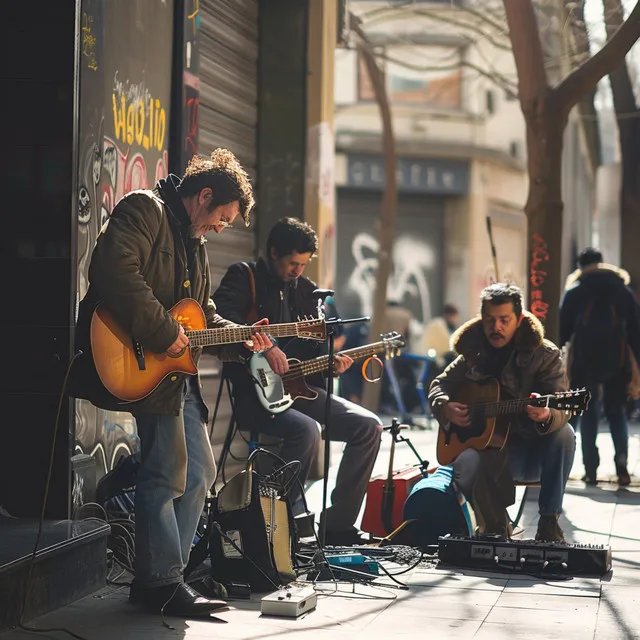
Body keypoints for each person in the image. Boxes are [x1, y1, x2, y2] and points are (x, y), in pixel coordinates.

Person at [71, 150, 272, 616]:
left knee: (199, 472)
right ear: (203, 196)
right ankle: (159, 582)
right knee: (164, 473)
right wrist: (164, 332)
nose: (222, 228)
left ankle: (166, 576)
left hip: (170, 374)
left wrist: (242, 339)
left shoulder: (195, 244)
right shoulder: (144, 209)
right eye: (221, 217)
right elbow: (113, 271)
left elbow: (197, 316)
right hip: (134, 356)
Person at [212, 217, 383, 546]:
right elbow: (222, 321)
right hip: (254, 393)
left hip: (303, 390)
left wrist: (331, 364)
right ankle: (276, 526)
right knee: (307, 430)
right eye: (293, 263)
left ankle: (338, 525)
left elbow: (314, 352)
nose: (298, 271)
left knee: (370, 427)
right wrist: (265, 346)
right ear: (273, 252)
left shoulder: (309, 293)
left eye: (304, 264)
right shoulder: (244, 277)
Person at [428, 283, 575, 542]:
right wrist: (445, 407)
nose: (496, 328)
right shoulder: (473, 352)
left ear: (518, 320)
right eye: (489, 320)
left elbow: (563, 406)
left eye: (504, 320)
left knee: (565, 433)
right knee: (466, 461)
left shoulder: (545, 354)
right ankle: (494, 526)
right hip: (493, 455)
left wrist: (546, 414)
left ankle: (549, 523)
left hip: (533, 455)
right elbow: (439, 384)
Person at [559, 247, 640, 486]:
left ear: (580, 266)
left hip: (585, 360)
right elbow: (636, 331)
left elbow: (564, 332)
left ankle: (590, 470)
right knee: (616, 412)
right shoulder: (623, 291)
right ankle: (622, 465)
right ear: (602, 263)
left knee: (588, 412)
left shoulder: (575, 291)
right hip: (618, 360)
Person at [420, 303, 459, 369]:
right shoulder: (437, 325)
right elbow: (442, 339)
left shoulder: (451, 326)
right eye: (454, 316)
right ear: (448, 315)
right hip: (435, 357)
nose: (455, 319)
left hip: (443, 356)